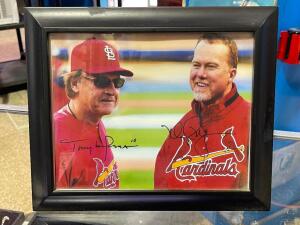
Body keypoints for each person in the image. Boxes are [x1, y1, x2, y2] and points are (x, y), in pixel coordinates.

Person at [154, 33, 251, 190]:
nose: (200, 74)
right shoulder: (179, 131)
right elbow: (161, 197)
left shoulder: (254, 120)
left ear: (231, 74)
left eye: (211, 66)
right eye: (196, 65)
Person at [54, 38, 133, 189]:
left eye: (117, 82)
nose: (111, 90)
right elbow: (54, 211)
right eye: (101, 81)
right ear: (75, 83)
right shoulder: (57, 141)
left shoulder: (93, 119)